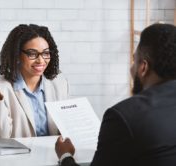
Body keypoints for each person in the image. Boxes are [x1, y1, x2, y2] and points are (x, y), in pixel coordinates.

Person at [55, 23, 176, 166]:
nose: (132, 67)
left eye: (134, 60)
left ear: (143, 67)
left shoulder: (123, 116)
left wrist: (66, 156)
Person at [0, 24, 69, 138]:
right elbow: (2, 138)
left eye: (45, 53)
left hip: (53, 153)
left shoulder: (59, 83)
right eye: (32, 54)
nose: (41, 60)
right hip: (20, 155)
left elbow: (65, 129)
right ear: (17, 55)